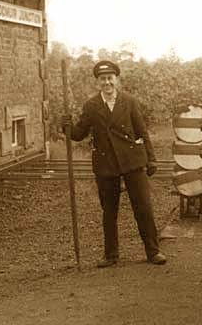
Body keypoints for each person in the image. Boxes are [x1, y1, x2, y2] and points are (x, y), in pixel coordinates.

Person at [62, 60, 167, 267]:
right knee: (109, 211)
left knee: (143, 207)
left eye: (110, 78)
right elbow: (78, 134)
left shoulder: (129, 101)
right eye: (103, 79)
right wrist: (66, 125)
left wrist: (151, 158)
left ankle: (153, 251)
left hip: (132, 160)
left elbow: (142, 131)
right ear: (97, 83)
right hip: (106, 163)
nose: (107, 82)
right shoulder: (91, 106)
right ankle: (111, 255)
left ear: (116, 80)